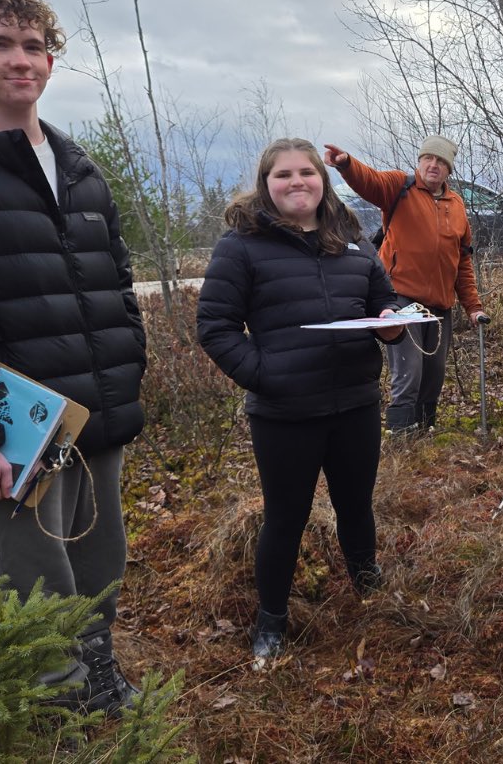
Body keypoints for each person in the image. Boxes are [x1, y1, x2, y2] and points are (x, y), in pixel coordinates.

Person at [0, 0, 147, 715]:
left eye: (34, 45)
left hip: (93, 414)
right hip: (18, 426)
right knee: (33, 575)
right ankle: (53, 709)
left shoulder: (78, 165)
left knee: (99, 560)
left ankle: (98, 676)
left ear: (50, 61)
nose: (20, 59)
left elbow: (115, 280)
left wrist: (127, 379)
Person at [196, 138, 404, 668]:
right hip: (285, 414)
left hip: (355, 404)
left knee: (356, 505)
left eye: (307, 173)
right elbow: (215, 328)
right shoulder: (240, 246)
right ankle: (272, 620)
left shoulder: (352, 238)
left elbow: (383, 304)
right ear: (266, 183)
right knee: (285, 518)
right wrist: (266, 376)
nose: (297, 183)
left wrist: (392, 327)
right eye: (283, 175)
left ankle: (367, 584)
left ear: (322, 180)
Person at [324, 136, 488, 433]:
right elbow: (369, 181)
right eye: (428, 158)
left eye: (440, 161)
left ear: (449, 169)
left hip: (440, 305)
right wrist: (346, 164)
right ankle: (401, 434)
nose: (433, 165)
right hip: (401, 298)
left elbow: (462, 262)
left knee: (434, 373)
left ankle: (424, 431)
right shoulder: (399, 187)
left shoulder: (457, 205)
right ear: (420, 160)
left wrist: (473, 306)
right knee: (408, 370)